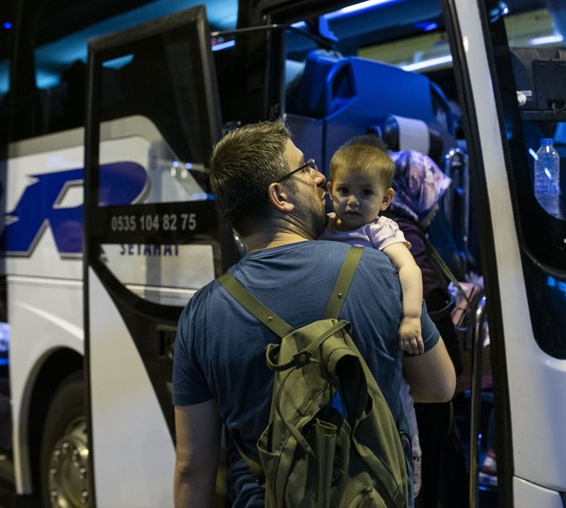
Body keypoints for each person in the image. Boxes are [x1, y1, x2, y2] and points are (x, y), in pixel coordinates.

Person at [172, 120, 456, 508]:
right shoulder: (381, 272)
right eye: (305, 168)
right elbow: (439, 386)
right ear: (280, 196)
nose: (320, 177)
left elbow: (192, 468)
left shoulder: (201, 314)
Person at [320, 135, 427, 495]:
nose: (353, 201)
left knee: (396, 408)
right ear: (329, 190)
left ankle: (407, 476)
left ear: (386, 199)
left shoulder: (379, 229)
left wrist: (411, 317)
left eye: (366, 192)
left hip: (376, 343)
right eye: (344, 190)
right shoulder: (322, 227)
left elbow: (409, 269)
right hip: (335, 341)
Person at [384, 149, 470, 507]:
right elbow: (429, 298)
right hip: (421, 381)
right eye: (433, 196)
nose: (435, 207)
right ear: (413, 191)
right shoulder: (404, 235)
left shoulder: (382, 227)